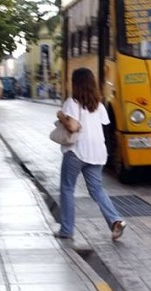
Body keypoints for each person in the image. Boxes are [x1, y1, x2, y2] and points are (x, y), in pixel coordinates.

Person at [54, 68, 126, 241]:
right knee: (97, 190)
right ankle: (115, 219)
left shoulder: (73, 102)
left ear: (76, 83)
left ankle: (66, 230)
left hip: (77, 151)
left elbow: (71, 126)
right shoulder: (99, 105)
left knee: (67, 188)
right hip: (97, 152)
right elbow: (104, 124)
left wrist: (61, 116)